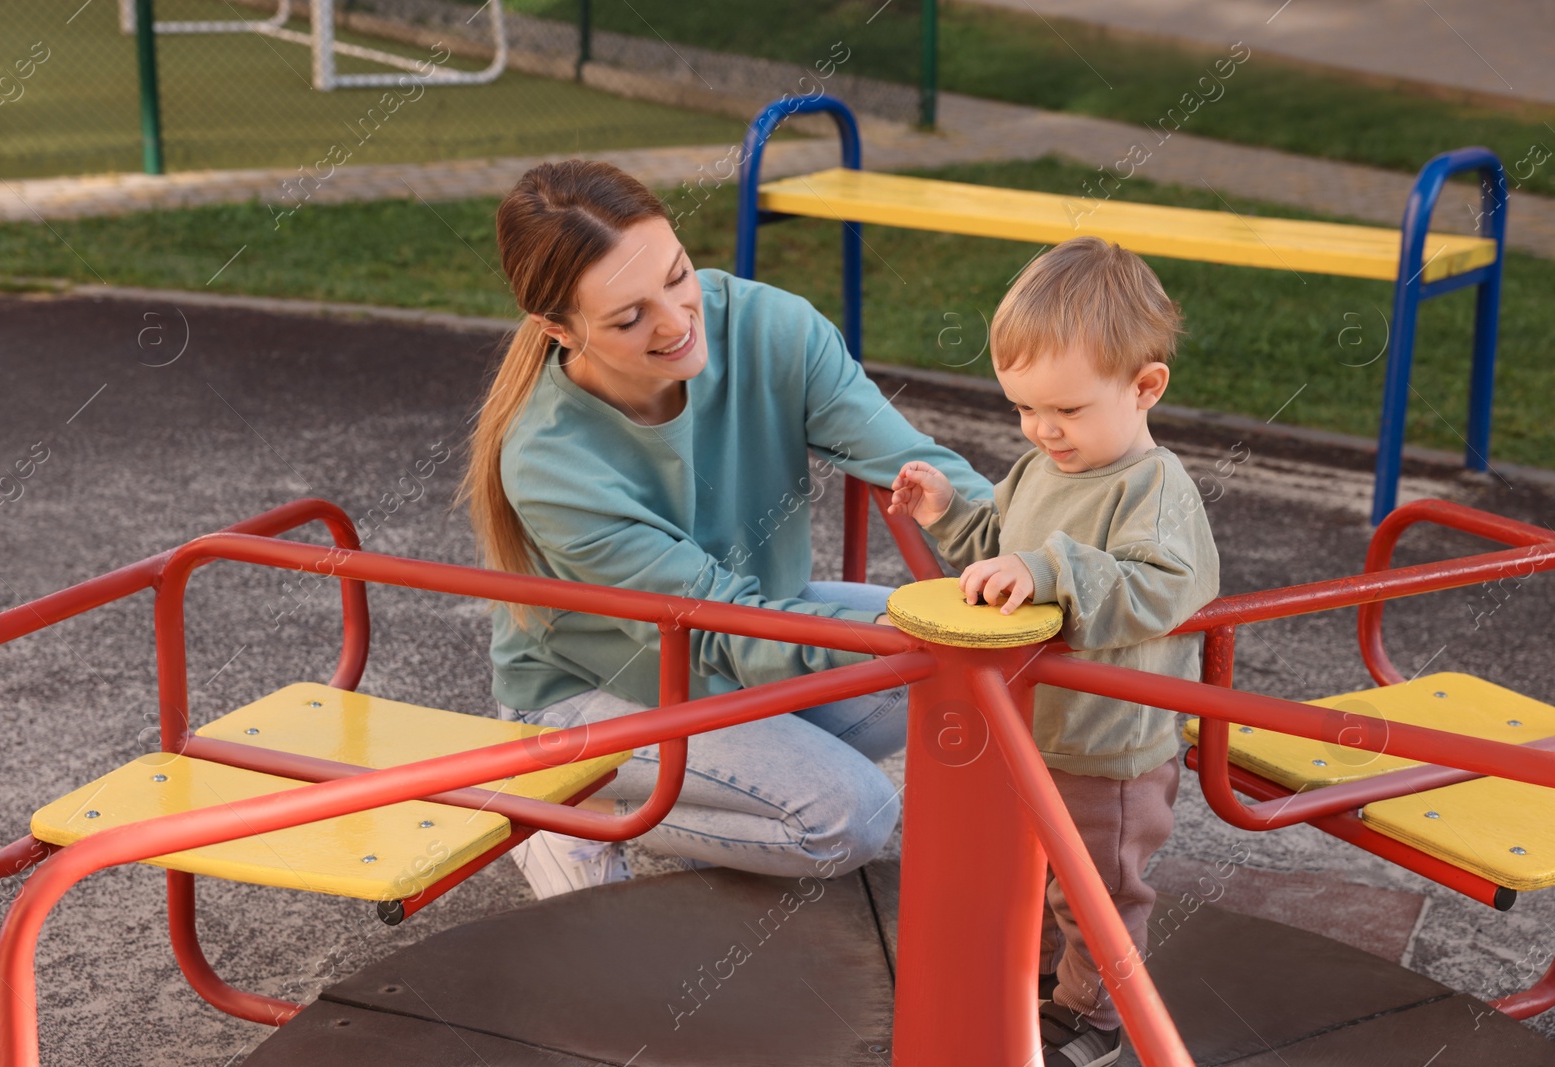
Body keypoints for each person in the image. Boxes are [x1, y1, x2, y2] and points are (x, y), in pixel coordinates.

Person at [453, 160, 992, 900]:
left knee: (980, 661)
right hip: (603, 691)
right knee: (849, 813)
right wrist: (890, 649)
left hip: (756, 633)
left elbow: (920, 466)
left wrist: (1047, 561)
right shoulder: (551, 460)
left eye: (678, 275)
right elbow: (718, 629)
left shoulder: (773, 328)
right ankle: (574, 801)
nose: (677, 322)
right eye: (628, 316)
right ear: (558, 328)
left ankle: (730, 793)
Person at [888, 236, 1219, 1067]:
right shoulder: (1044, 467)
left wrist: (1043, 570)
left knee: (1098, 889)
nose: (1042, 429)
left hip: (1111, 746)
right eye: (1024, 409)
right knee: (1030, 872)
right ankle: (1035, 982)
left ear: (1144, 387)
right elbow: (1002, 544)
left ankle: (1099, 1013)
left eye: (1064, 411)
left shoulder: (1156, 490)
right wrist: (948, 513)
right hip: (1035, 727)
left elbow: (1159, 587)